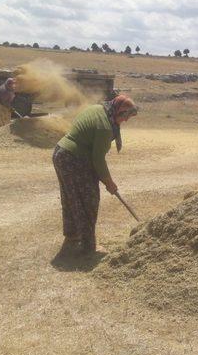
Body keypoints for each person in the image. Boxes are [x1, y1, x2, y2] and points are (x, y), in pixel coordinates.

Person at [52, 94, 138, 256]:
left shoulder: (99, 108)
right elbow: (97, 159)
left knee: (71, 198)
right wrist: (109, 183)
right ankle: (88, 246)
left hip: (62, 154)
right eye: (125, 116)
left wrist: (105, 180)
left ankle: (72, 236)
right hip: (74, 159)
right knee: (88, 201)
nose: (126, 121)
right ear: (118, 111)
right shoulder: (105, 127)